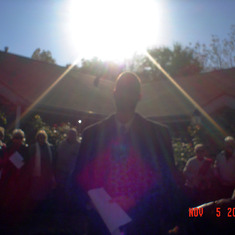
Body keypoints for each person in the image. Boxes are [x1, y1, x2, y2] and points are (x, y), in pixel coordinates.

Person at [73, 71, 182, 234]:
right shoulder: (92, 134)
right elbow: (76, 180)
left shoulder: (158, 135)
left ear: (139, 96)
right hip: (100, 224)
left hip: (144, 224)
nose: (125, 94)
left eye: (130, 90)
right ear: (114, 93)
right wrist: (89, 203)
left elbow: (168, 183)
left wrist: (136, 201)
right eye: (122, 89)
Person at [0, 129, 30, 224]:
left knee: (18, 197)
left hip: (20, 177)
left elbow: (26, 163)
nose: (17, 140)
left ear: (22, 139)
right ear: (13, 139)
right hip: (9, 176)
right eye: (16, 138)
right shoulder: (8, 148)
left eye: (19, 138)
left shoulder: (25, 148)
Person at [28, 130, 56, 210]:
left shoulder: (50, 147)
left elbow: (53, 160)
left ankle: (44, 206)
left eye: (43, 137)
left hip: (46, 173)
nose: (41, 139)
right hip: (36, 173)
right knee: (36, 190)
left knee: (45, 190)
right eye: (40, 137)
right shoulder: (33, 147)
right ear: (37, 138)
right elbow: (30, 159)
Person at [55, 128, 80, 211]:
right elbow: (58, 154)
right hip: (61, 170)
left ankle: (69, 207)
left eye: (73, 134)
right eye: (70, 134)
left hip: (72, 172)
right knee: (60, 189)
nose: (71, 136)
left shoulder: (79, 145)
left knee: (69, 189)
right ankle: (59, 206)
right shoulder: (62, 143)